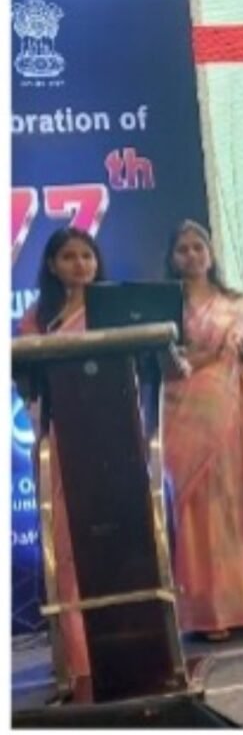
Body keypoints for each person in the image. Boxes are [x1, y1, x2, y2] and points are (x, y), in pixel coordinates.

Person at [162, 219, 243, 640]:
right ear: (172, 258)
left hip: (234, 409)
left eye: (198, 247)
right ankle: (211, 612)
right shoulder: (165, 307)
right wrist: (202, 358)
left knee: (239, 501)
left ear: (211, 253)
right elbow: (164, 365)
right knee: (200, 507)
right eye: (183, 249)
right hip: (186, 412)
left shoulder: (239, 304)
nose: (192, 255)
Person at [18, 227, 106, 699]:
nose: (80, 265)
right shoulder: (38, 319)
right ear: (52, 265)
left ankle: (129, 646)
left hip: (114, 436)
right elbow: (26, 380)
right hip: (60, 434)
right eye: (69, 257)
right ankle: (79, 656)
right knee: (69, 546)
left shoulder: (114, 308)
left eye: (86, 256)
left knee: (118, 541)